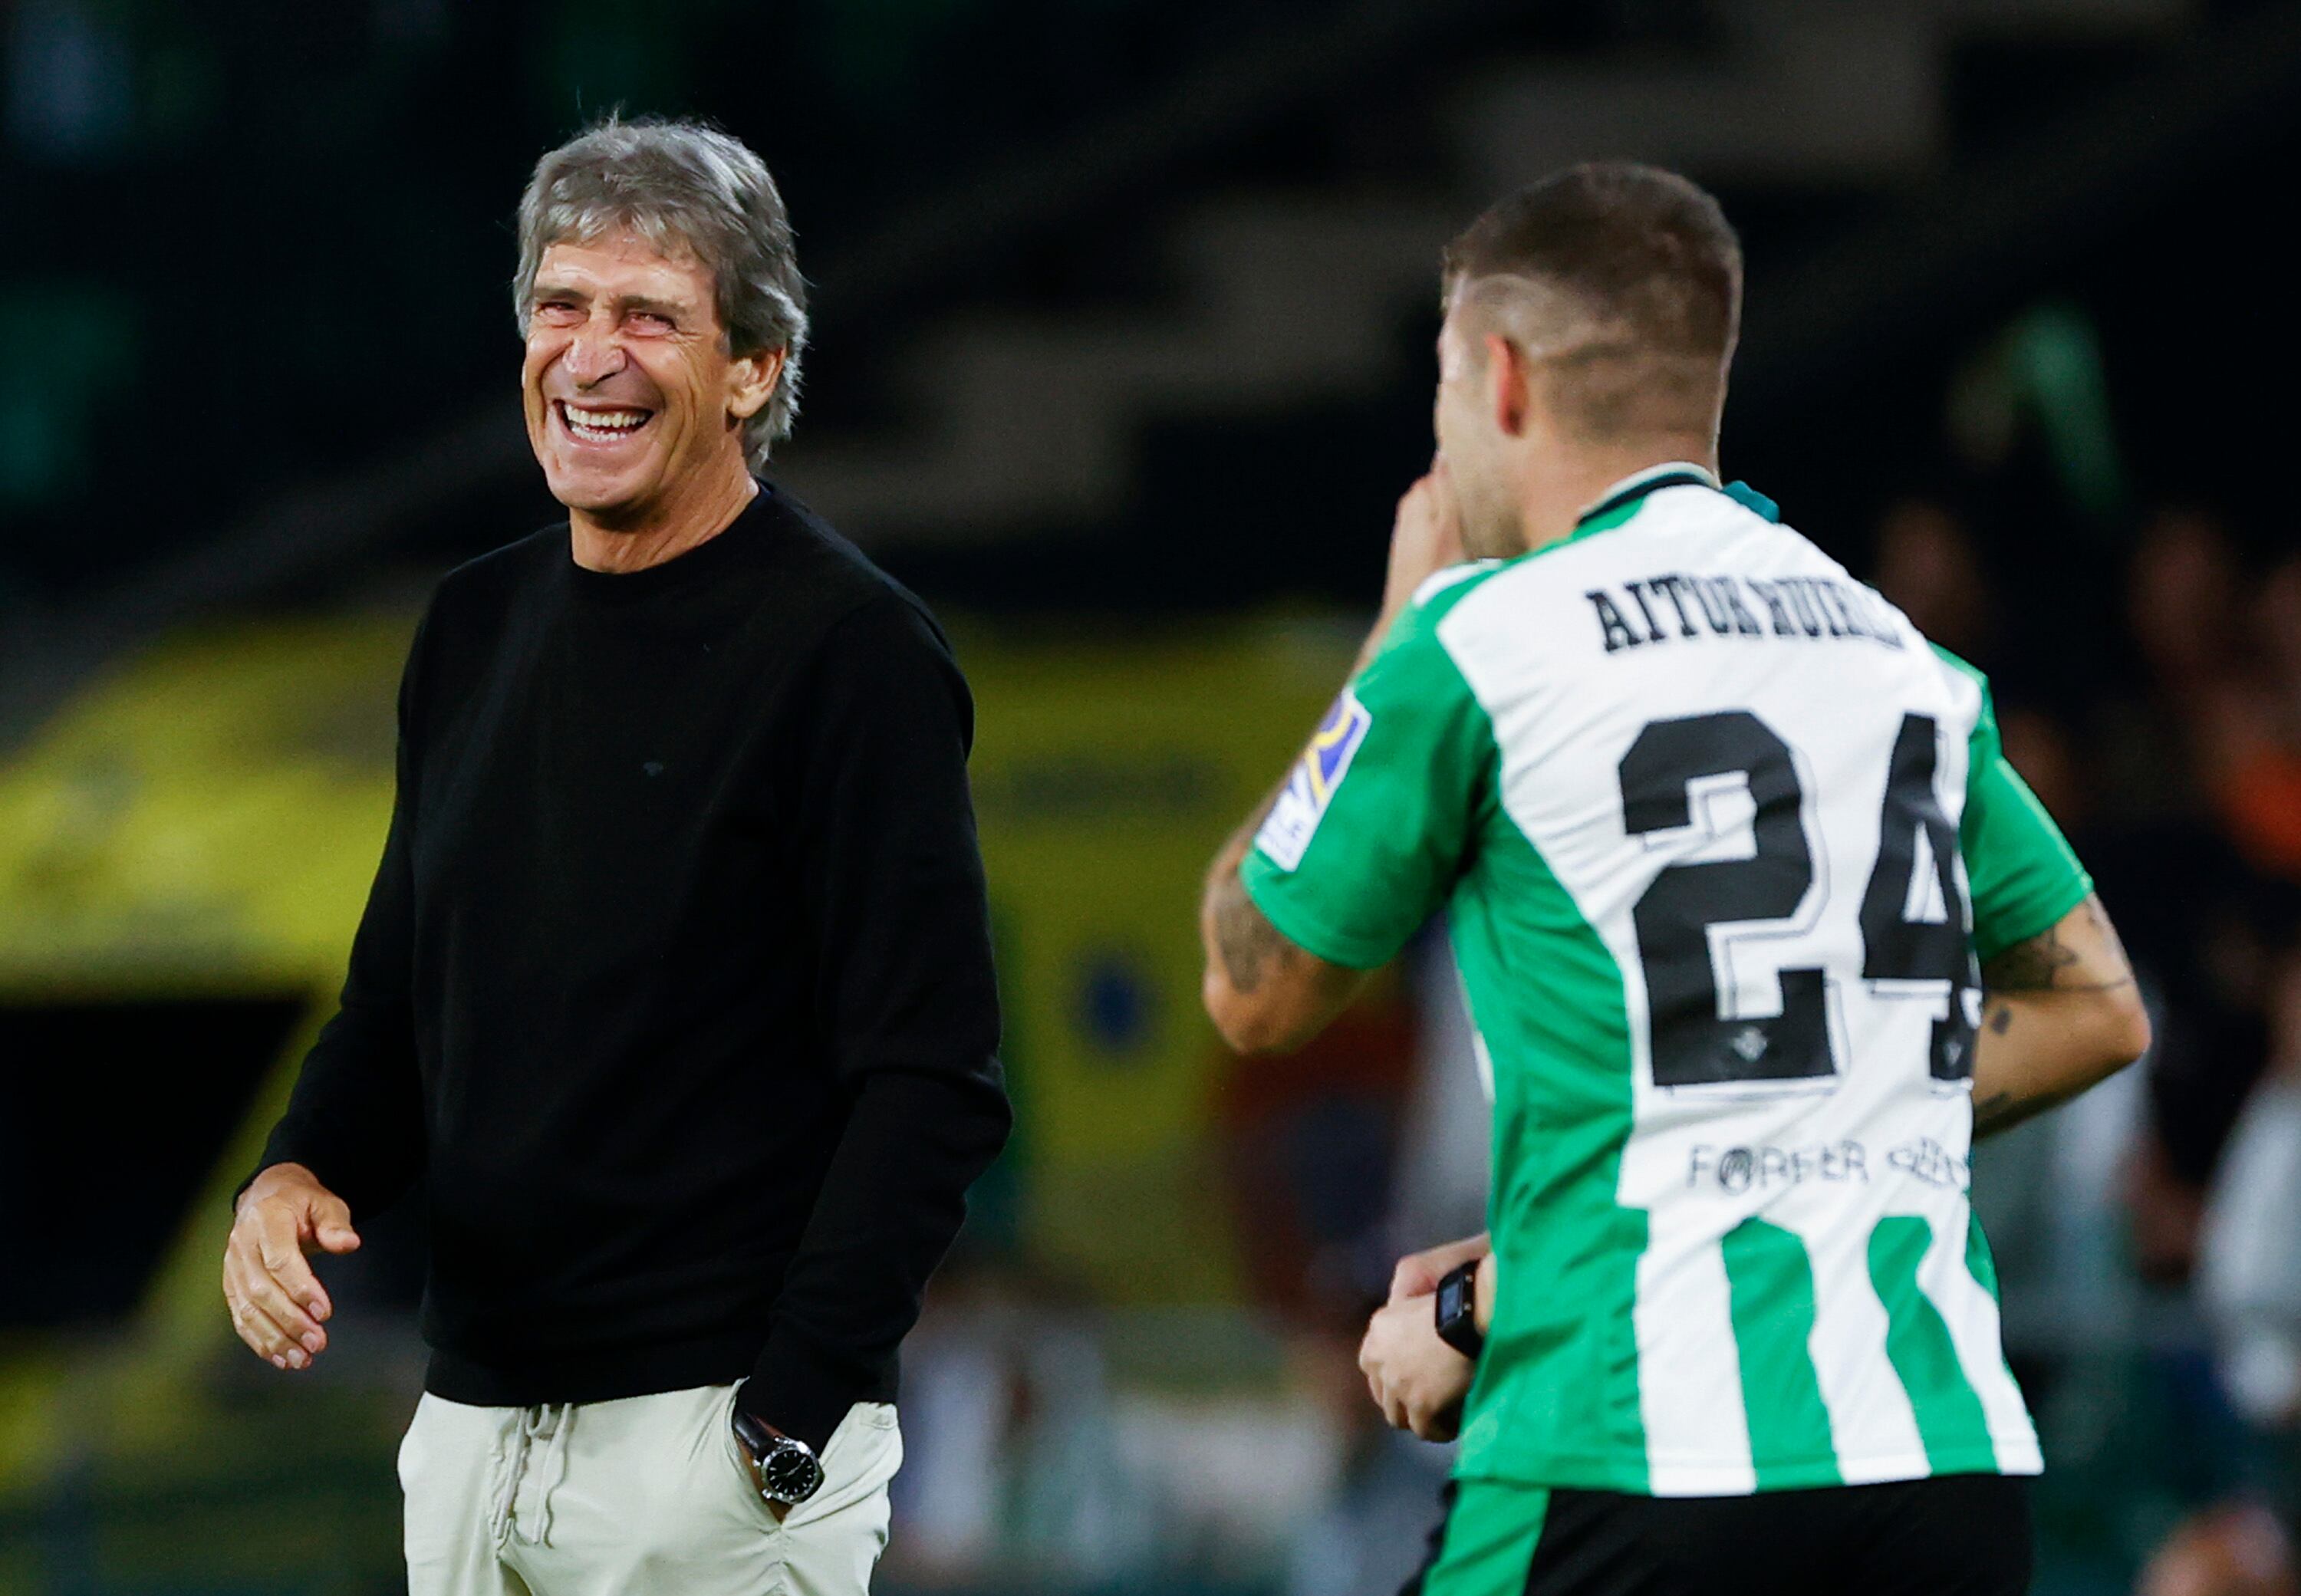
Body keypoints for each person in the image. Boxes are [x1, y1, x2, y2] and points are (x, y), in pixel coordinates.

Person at [1198, 163, 2151, 1596]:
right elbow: (2095, 1007)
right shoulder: (1897, 655)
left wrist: (1390, 632)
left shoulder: (1479, 644)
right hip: (1937, 1458)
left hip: (1631, 1445)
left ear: (1501, 379)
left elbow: (1255, 984)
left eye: (1446, 386)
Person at [220, 117, 1010, 1596]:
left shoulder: (854, 653)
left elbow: (934, 1077)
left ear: (755, 368)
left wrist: (784, 1421)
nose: (592, 356)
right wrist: (293, 1172)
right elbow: (396, 1004)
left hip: (711, 1449)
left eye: (649, 315)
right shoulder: (469, 627)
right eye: (561, 305)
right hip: (471, 1433)